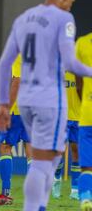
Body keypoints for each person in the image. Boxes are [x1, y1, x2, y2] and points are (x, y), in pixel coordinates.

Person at [0, 0, 92, 211]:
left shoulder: (22, 19)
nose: (71, 6)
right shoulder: (64, 18)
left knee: (48, 156)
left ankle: (37, 205)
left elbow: (5, 64)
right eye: (71, 1)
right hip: (50, 100)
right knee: (45, 160)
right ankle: (34, 207)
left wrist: (4, 104)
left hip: (26, 101)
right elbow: (70, 61)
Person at [0, 54, 32, 206]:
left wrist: (6, 108)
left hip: (19, 110)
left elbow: (17, 81)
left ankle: (5, 194)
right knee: (31, 151)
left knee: (5, 147)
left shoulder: (20, 54)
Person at [52, 71, 81, 200]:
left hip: (79, 117)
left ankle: (75, 188)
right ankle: (57, 178)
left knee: (76, 152)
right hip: (62, 117)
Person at [76, 32, 92, 210]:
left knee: (87, 165)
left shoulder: (82, 43)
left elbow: (78, 82)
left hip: (87, 113)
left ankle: (86, 198)